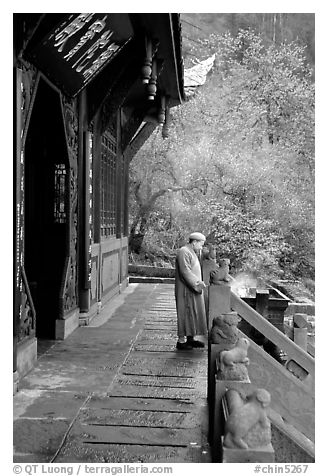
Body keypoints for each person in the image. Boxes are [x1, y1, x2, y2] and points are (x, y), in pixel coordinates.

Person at [175, 232, 208, 350]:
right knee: (185, 313)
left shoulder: (192, 251)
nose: (201, 247)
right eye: (201, 244)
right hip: (186, 288)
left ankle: (191, 338)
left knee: (193, 313)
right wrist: (197, 284)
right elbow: (185, 272)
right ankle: (181, 341)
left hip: (192, 289)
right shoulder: (184, 251)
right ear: (194, 242)